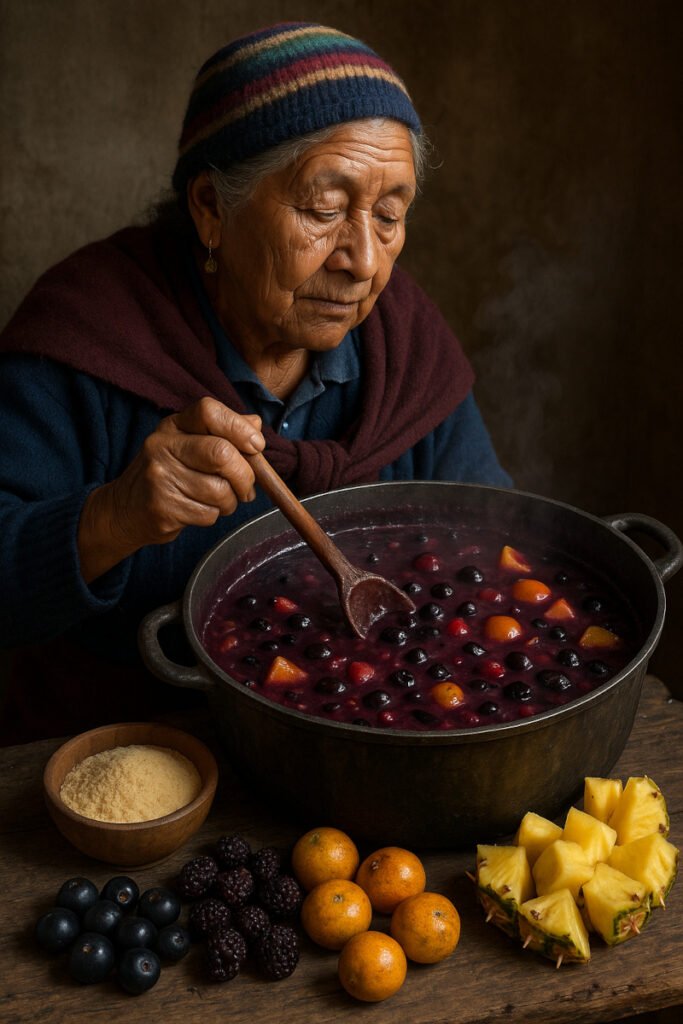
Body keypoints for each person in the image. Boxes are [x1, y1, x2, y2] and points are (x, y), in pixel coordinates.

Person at [0, 22, 510, 743]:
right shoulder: (89, 333)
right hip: (119, 748)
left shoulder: (403, 346)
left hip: (351, 743)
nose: (363, 259)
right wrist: (112, 518)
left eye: (390, 216)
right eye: (323, 210)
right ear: (211, 207)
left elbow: (492, 542)